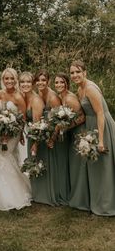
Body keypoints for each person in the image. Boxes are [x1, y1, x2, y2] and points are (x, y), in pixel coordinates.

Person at [0, 67, 32, 211]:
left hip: (12, 134)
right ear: (2, 80)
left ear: (16, 80)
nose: (9, 81)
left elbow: (23, 119)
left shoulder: (19, 97)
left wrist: (14, 133)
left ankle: (13, 195)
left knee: (5, 158)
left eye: (11, 78)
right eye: (6, 78)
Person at [70, 60, 115, 216]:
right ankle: (96, 199)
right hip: (90, 126)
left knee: (103, 166)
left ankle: (106, 203)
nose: (75, 75)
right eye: (72, 72)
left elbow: (100, 113)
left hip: (101, 127)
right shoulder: (79, 89)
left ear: (85, 72)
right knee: (95, 165)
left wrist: (101, 140)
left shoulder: (90, 89)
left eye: (77, 72)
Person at [54, 72, 85, 209]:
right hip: (71, 133)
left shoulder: (70, 98)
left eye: (62, 82)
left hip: (78, 133)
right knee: (73, 166)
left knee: (78, 166)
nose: (59, 85)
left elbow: (82, 117)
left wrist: (66, 128)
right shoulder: (62, 96)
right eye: (56, 82)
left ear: (67, 83)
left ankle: (80, 198)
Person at [32, 69, 62, 206]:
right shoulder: (39, 93)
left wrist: (53, 138)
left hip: (53, 133)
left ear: (48, 81)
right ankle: (42, 192)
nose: (40, 82)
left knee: (53, 164)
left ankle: (53, 193)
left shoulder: (53, 97)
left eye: (43, 80)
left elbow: (59, 120)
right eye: (38, 80)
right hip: (44, 131)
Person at [19, 71, 45, 158]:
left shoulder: (36, 100)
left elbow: (38, 126)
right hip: (30, 135)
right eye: (22, 82)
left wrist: (35, 144)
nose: (25, 84)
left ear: (33, 84)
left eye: (28, 82)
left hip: (37, 138)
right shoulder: (24, 97)